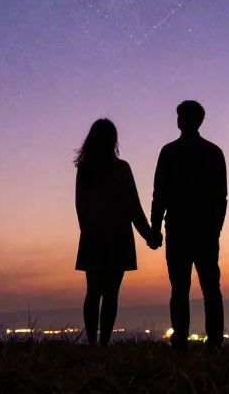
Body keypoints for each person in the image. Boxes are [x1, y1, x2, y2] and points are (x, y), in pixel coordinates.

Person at [74, 118, 161, 346]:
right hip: (117, 236)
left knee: (93, 292)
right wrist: (149, 235)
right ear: (113, 140)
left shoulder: (85, 170)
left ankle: (93, 343)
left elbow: (80, 206)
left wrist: (88, 230)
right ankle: (103, 344)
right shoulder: (121, 168)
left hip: (92, 235)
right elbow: (133, 206)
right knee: (111, 293)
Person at [151, 100, 227, 351]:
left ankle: (180, 342)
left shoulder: (169, 152)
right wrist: (217, 227)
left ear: (180, 121)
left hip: (178, 230)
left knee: (179, 289)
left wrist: (155, 227)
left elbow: (159, 194)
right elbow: (221, 197)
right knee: (211, 289)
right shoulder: (214, 152)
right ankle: (214, 343)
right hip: (205, 230)